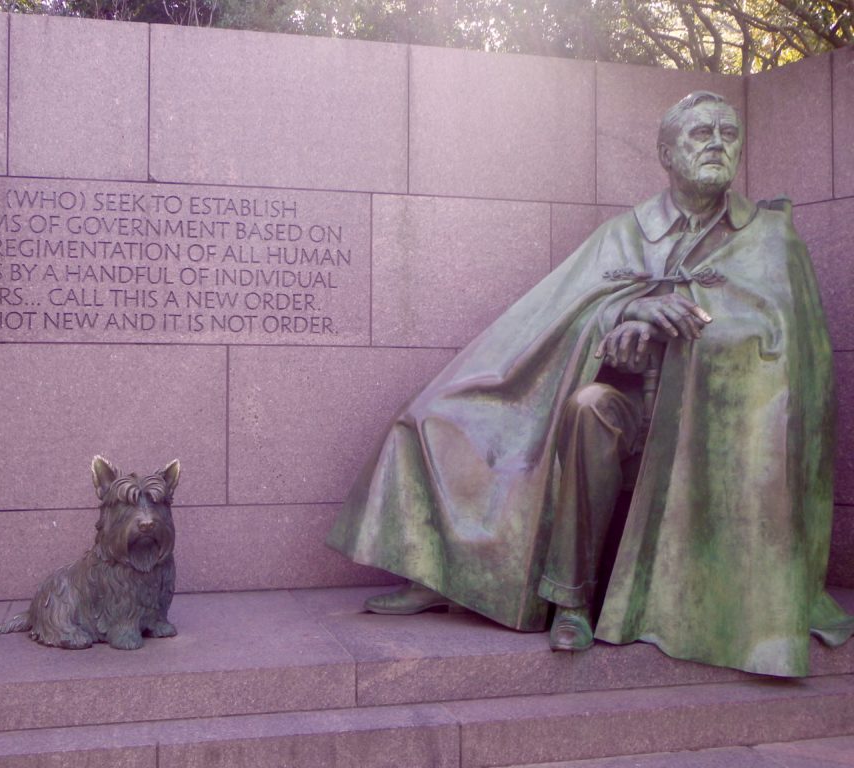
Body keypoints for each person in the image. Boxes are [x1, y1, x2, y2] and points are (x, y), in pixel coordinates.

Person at [327, 91, 853, 677]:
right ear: (666, 153)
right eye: (700, 133)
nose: (715, 144)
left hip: (711, 425)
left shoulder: (770, 236)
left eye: (728, 134)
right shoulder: (625, 234)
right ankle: (561, 596)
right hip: (628, 402)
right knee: (550, 409)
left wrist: (680, 321)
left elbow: (783, 346)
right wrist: (620, 322)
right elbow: (564, 314)